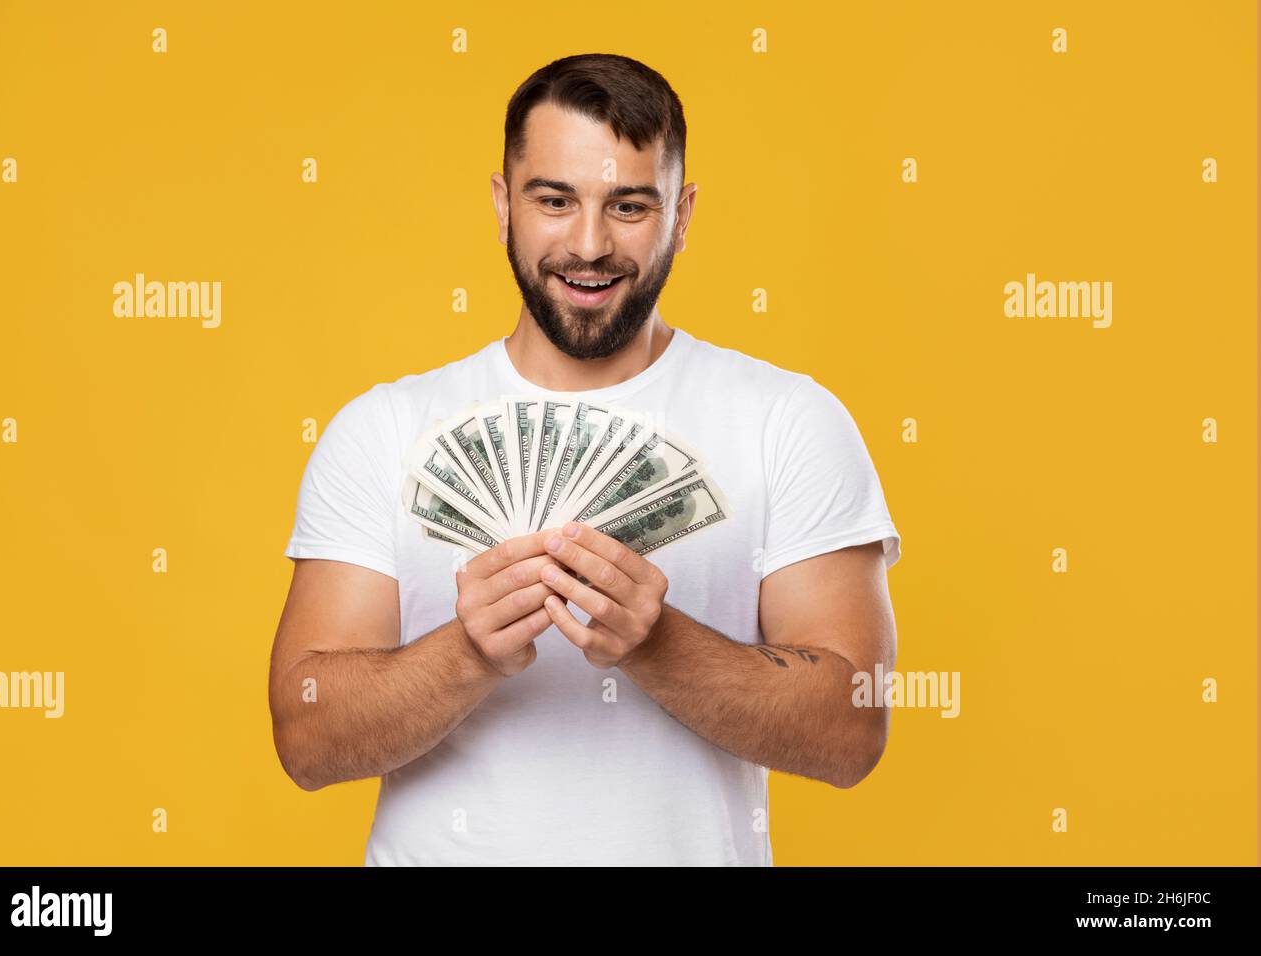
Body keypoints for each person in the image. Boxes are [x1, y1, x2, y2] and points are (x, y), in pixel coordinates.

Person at [271, 52, 901, 866]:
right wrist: (468, 651)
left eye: (630, 205)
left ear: (682, 214)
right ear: (504, 205)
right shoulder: (383, 429)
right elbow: (306, 739)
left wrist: (656, 642)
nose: (590, 245)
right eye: (555, 201)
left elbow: (852, 730)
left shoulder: (788, 421)